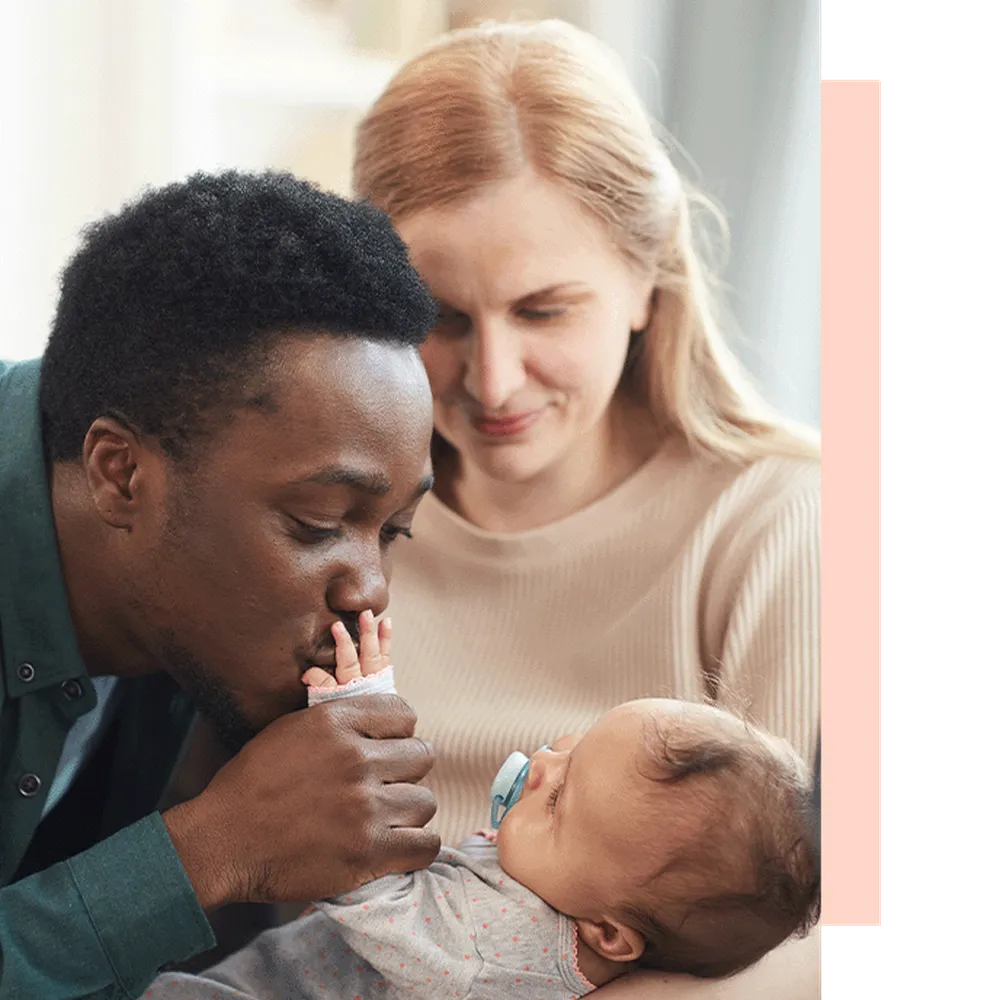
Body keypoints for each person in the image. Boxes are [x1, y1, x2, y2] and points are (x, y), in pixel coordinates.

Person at [348, 17, 823, 998]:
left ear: (646, 280)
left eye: (543, 309)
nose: (493, 380)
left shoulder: (780, 521)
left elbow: (804, 937)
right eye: (440, 317)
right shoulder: (341, 523)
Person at [0, 169, 444, 999]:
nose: (370, 592)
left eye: (392, 532)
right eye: (316, 523)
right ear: (120, 472)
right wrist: (209, 852)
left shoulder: (187, 616)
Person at [143, 611, 819, 999]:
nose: (542, 766)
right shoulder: (560, 898)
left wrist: (354, 715)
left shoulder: (502, 950)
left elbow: (363, 874)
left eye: (558, 803)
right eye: (574, 747)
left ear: (610, 934)